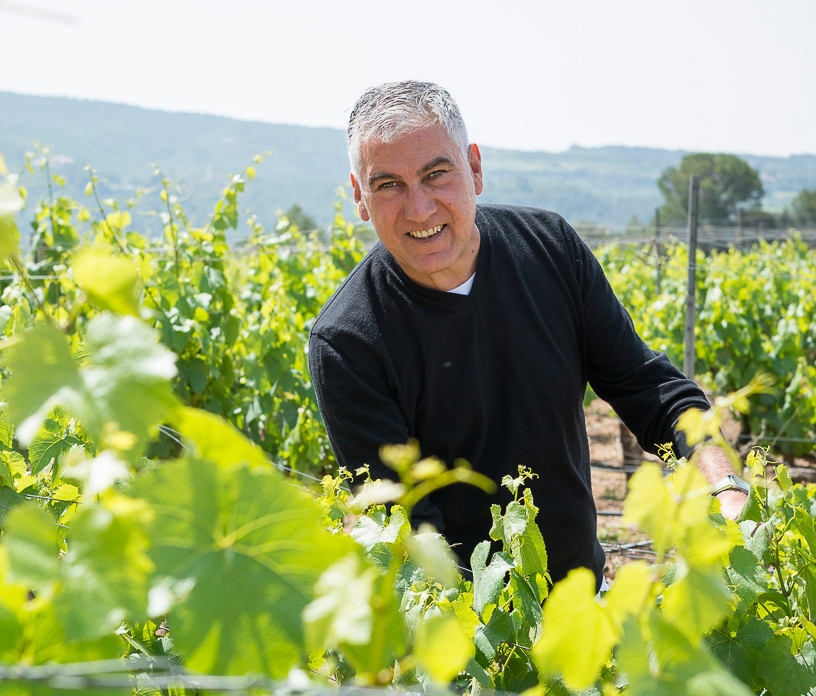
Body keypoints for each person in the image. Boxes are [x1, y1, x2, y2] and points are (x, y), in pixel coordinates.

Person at [307, 80, 747, 587]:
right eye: (388, 185)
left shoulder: (551, 249)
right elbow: (409, 535)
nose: (420, 207)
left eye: (436, 174)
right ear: (360, 198)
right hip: (468, 638)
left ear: (474, 168)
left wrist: (724, 482)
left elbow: (648, 388)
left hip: (584, 602)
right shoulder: (347, 342)